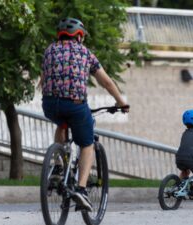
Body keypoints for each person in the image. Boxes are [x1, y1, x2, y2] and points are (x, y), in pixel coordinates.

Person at [40, 17, 129, 211]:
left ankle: (57, 166)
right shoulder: (85, 53)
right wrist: (121, 103)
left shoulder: (49, 50)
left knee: (61, 123)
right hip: (75, 105)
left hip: (49, 105)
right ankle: (81, 189)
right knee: (87, 143)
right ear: (79, 35)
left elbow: (43, 79)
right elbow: (106, 82)